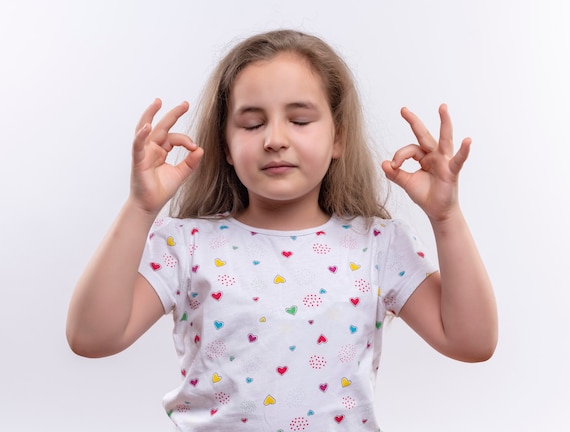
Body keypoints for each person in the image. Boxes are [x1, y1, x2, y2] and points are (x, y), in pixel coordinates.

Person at [66, 29, 497, 431]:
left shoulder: (378, 245)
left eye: (300, 120)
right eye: (252, 124)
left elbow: (472, 342)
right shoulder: (186, 244)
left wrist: (446, 218)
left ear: (338, 138)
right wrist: (140, 208)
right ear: (227, 146)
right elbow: (91, 337)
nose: (274, 138)